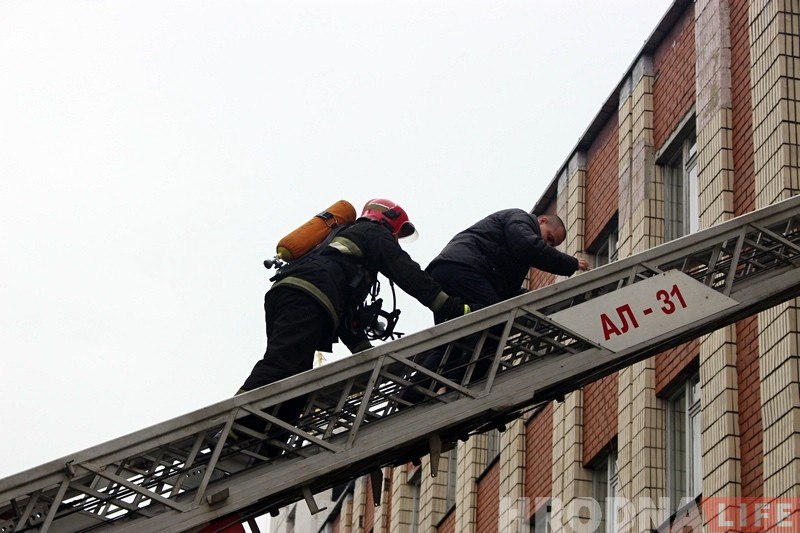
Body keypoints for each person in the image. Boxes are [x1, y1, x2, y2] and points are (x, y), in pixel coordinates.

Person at [237, 198, 470, 436]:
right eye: (398, 233)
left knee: (297, 377)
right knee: (283, 364)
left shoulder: (347, 249)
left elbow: (347, 316)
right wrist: (451, 307)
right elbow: (407, 273)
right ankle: (236, 425)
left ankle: (266, 439)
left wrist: (363, 351)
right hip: (307, 296)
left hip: (295, 294)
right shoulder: (372, 232)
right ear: (388, 220)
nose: (396, 239)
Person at [411, 209, 590, 395]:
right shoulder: (521, 220)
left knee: (449, 342)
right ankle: (461, 382)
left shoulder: (511, 251)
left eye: (551, 245)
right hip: (465, 268)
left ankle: (413, 394)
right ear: (542, 221)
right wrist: (570, 263)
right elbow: (529, 246)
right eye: (549, 238)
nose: (546, 244)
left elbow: (504, 290)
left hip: (448, 271)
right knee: (495, 319)